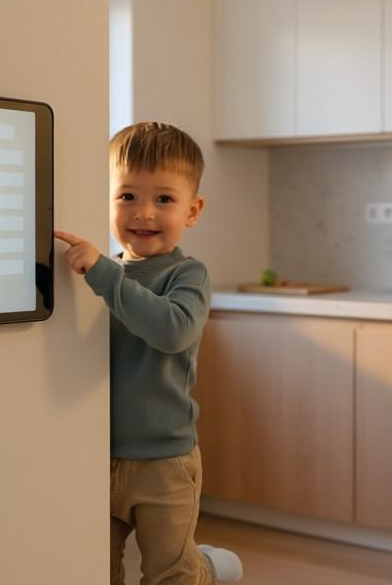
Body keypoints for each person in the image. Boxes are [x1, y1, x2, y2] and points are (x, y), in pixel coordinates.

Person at [54, 122, 243, 585]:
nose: (144, 213)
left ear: (192, 210)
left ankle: (207, 569)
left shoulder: (188, 274)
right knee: (95, 567)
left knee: (169, 573)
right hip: (98, 454)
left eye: (164, 199)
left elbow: (172, 329)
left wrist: (102, 274)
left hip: (165, 460)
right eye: (127, 196)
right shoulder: (106, 272)